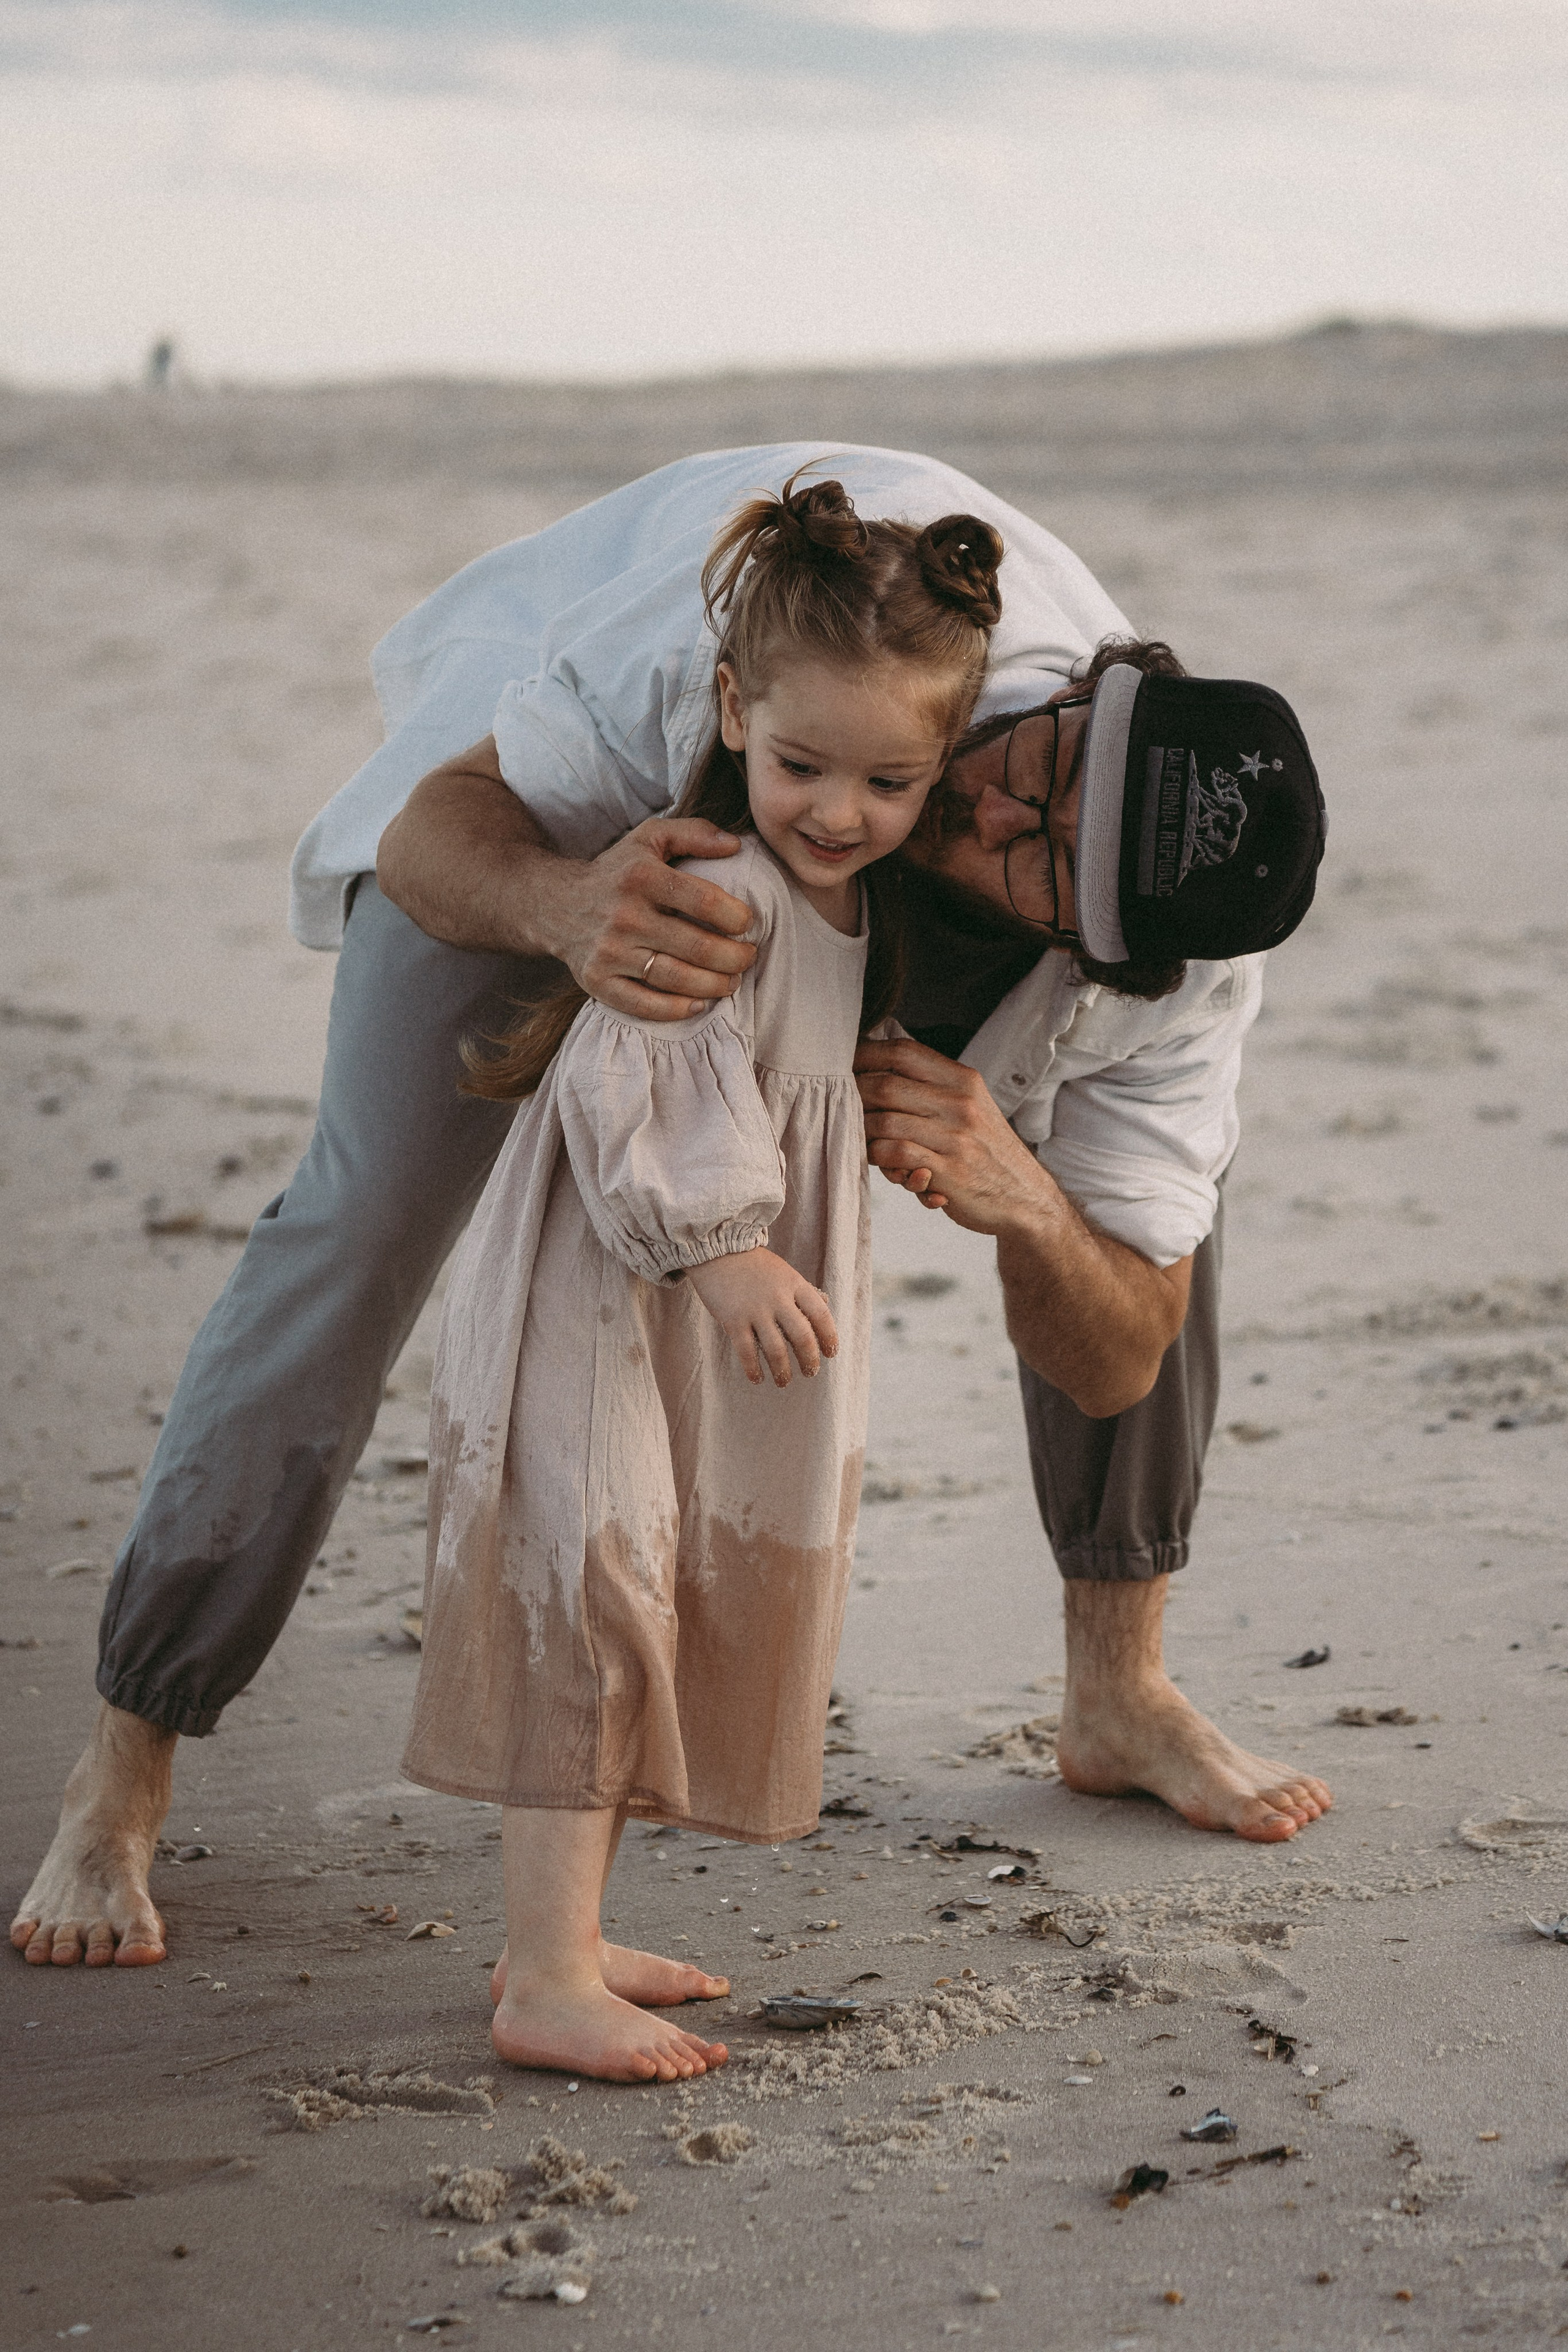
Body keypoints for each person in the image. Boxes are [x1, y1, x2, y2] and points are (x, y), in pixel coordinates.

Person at [12, 441, 1330, 1975]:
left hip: (865, 922)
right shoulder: (812, 653)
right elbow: (440, 835)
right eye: (1036, 772)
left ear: (1126, 955)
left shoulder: (1180, 987)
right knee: (356, 1231)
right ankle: (123, 1764)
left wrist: (1026, 1205)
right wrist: (566, 912)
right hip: (550, 830)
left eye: (1047, 866)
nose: (988, 814)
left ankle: (1119, 1691)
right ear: (1104, 689)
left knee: (1141, 1229)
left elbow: (1121, 1346)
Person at [404, 473, 1001, 2082]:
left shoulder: (853, 905)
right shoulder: (722, 887)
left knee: (653, 1588)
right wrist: (730, 1249)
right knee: (593, 1596)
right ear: (733, 710)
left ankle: (575, 1932)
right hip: (616, 1280)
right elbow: (624, 1081)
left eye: (889, 779)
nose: (839, 808)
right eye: (803, 765)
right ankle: (538, 1974)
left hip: (690, 1293)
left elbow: (803, 1071)